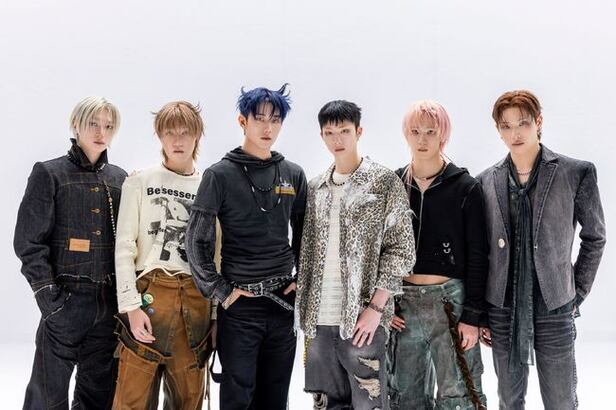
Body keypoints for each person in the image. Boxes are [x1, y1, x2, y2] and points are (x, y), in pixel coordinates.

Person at [477, 90, 606, 409]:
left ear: (539, 122)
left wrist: (576, 292)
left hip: (554, 306)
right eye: (506, 126)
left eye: (522, 123)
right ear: (498, 130)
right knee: (509, 400)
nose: (515, 133)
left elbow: (595, 237)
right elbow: (480, 251)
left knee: (561, 401)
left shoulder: (575, 172)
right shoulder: (485, 181)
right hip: (503, 309)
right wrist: (480, 312)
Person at [186, 84, 307, 410]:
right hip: (240, 306)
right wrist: (222, 291)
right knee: (237, 397)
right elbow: (196, 240)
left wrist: (301, 279)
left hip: (283, 305)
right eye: (260, 119)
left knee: (275, 398)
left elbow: (305, 236)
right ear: (243, 121)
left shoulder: (293, 174)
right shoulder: (219, 175)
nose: (268, 128)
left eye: (275, 120)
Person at [296, 100, 415, 410]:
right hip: (318, 323)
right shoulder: (316, 188)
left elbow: (402, 250)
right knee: (326, 404)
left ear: (358, 132)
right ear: (321, 136)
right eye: (330, 133)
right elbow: (306, 252)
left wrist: (376, 308)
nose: (337, 139)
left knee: (369, 403)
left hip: (363, 319)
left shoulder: (383, 183)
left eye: (345, 131)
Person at [14, 96, 127, 409]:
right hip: (65, 302)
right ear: (76, 124)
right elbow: (28, 242)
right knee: (45, 399)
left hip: (108, 307)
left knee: (98, 398)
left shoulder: (120, 179)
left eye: (109, 126)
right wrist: (50, 300)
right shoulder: (49, 173)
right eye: (93, 123)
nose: (101, 132)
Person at [112, 101, 215, 409]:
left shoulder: (210, 186)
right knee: (130, 400)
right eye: (170, 132)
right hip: (149, 296)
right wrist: (131, 306)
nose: (177, 140)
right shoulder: (140, 181)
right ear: (159, 136)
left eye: (185, 132)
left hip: (195, 301)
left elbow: (216, 256)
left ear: (197, 136)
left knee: (189, 400)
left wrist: (215, 316)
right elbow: (124, 247)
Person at [387, 100, 488, 410]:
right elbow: (381, 251)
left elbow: (479, 255)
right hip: (403, 303)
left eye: (431, 131)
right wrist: (384, 306)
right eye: (415, 131)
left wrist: (472, 316)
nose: (422, 139)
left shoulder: (466, 187)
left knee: (460, 395)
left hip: (450, 301)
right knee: (405, 396)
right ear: (406, 133)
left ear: (443, 134)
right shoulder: (394, 184)